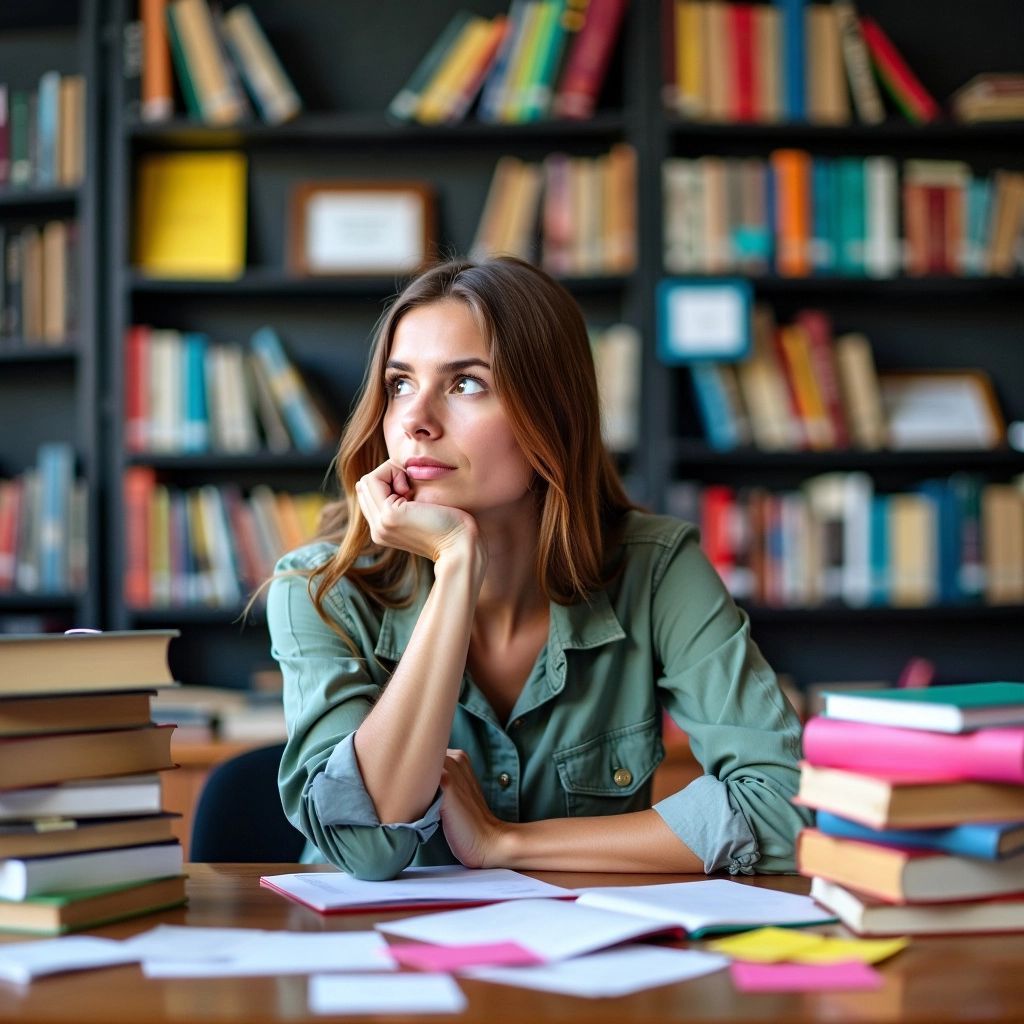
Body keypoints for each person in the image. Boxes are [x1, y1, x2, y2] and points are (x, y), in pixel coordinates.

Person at [268, 256, 810, 881]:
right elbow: (368, 847)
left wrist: (506, 844)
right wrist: (456, 564)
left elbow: (786, 813)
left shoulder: (655, 571)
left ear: (550, 413)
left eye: (466, 383)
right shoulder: (317, 588)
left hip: (587, 959)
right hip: (372, 962)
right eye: (399, 384)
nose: (417, 419)